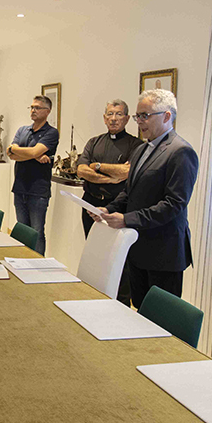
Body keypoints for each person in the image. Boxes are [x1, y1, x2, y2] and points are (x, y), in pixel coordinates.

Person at [93, 89, 199, 308]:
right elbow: (130, 192)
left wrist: (126, 219)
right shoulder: (141, 149)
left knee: (160, 320)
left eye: (145, 116)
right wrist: (108, 208)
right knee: (139, 311)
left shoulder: (181, 152)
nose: (139, 122)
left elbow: (174, 205)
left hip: (164, 254)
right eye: (138, 116)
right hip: (138, 249)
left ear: (167, 116)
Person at [75, 99, 143, 305]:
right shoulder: (94, 142)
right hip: (91, 206)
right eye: (110, 114)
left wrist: (96, 167)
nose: (114, 119)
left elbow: (126, 172)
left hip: (118, 208)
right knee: (94, 256)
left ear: (127, 118)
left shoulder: (136, 145)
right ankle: (94, 299)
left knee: (119, 261)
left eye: (119, 114)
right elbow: (81, 170)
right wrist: (108, 176)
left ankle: (120, 305)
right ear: (104, 118)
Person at [6, 95, 59, 254]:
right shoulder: (22, 130)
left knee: (36, 233)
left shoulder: (51, 132)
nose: (33, 110)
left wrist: (24, 152)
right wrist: (35, 156)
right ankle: (21, 262)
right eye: (32, 107)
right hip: (20, 188)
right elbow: (10, 153)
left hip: (38, 191)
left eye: (37, 108)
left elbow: (18, 151)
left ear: (47, 111)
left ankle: (38, 266)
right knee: (22, 230)